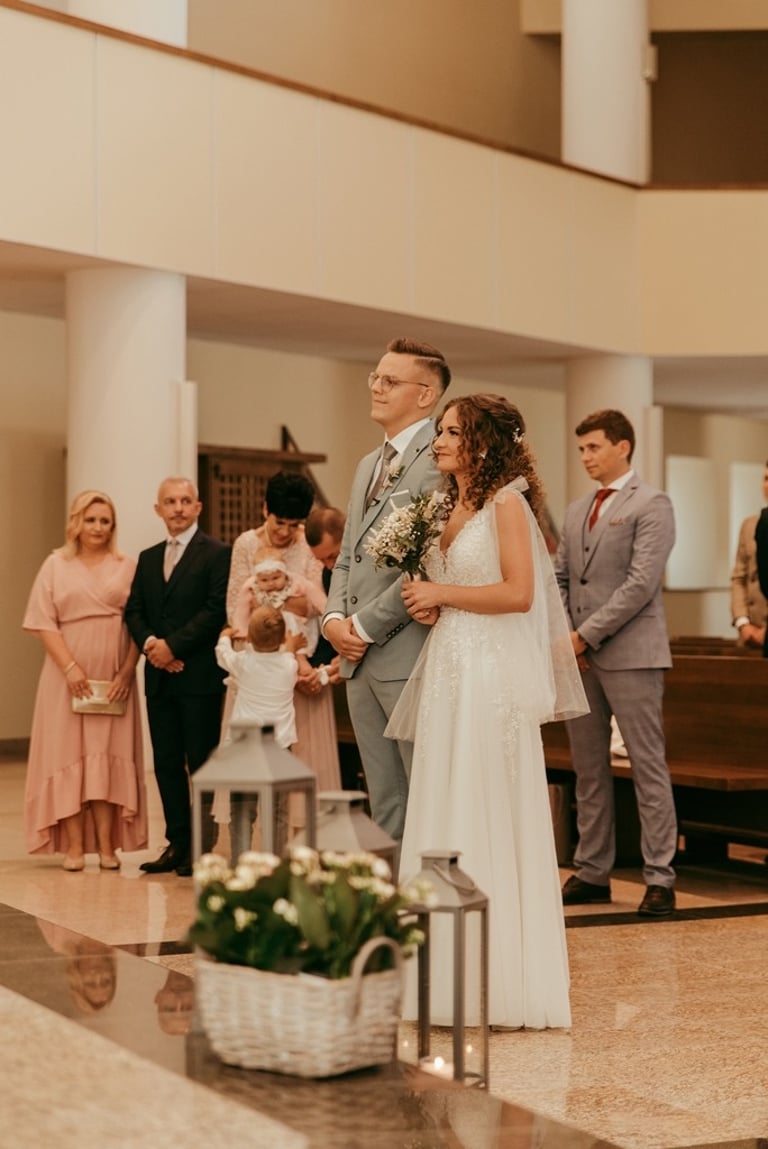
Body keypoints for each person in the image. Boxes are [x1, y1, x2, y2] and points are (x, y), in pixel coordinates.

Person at [388, 394, 588, 1029]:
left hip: (488, 675)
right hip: (449, 665)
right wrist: (431, 604)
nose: (440, 441)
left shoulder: (507, 502)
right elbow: (459, 592)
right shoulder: (447, 504)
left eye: (453, 432)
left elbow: (520, 593)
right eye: (441, 431)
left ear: (483, 443)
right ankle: (435, 977)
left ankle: (498, 983)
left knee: (483, 803)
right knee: (443, 799)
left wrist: (442, 591)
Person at [323, 337, 451, 849]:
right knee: (384, 800)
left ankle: (425, 894)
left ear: (425, 394)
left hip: (404, 654)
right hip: (357, 658)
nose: (376, 387)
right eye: (375, 377)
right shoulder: (366, 465)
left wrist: (362, 626)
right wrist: (332, 621)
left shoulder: (438, 461)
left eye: (390, 380)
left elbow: (429, 563)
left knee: (421, 792)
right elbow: (347, 556)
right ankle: (392, 897)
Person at [554, 409, 678, 918]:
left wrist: (584, 636)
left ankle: (660, 877)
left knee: (647, 766)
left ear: (622, 447)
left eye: (594, 447)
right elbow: (561, 578)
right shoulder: (576, 509)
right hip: (579, 658)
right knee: (588, 769)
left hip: (632, 654)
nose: (585, 457)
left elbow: (641, 583)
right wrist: (568, 638)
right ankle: (592, 871)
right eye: (581, 449)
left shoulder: (652, 503)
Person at [22, 489, 147, 871]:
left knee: (107, 759)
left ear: (113, 526)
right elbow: (43, 622)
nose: (97, 527)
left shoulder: (127, 566)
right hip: (64, 680)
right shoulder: (55, 565)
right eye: (90, 520)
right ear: (76, 523)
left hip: (115, 681)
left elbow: (140, 622)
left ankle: (108, 847)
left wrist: (127, 671)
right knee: (69, 757)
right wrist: (71, 669)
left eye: (105, 521)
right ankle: (74, 847)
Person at [125, 476, 230, 877]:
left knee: (200, 762)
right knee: (167, 763)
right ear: (159, 509)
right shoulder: (148, 557)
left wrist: (174, 647)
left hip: (199, 677)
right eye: (170, 501)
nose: (179, 508)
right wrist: (153, 645)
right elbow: (134, 610)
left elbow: (215, 609)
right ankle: (177, 842)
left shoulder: (217, 553)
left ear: (198, 508)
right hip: (160, 677)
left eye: (186, 501)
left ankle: (201, 847)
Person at [227, 471, 340, 792]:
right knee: (256, 766)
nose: (286, 532)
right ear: (265, 509)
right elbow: (235, 605)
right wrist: (286, 605)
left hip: (303, 658)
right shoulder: (246, 544)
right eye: (280, 522)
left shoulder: (307, 543)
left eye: (294, 524)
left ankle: (302, 823)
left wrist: (267, 602)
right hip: (257, 664)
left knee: (303, 757)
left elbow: (315, 605)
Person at [730, 460, 768, 649]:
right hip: (751, 633)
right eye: (765, 478)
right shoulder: (750, 525)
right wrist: (742, 622)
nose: (767, 485)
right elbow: (739, 577)